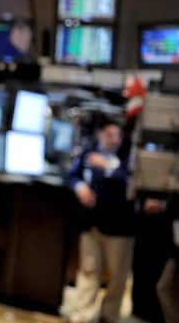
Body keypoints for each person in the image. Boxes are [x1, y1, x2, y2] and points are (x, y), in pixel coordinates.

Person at [64, 118, 135, 323]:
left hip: (119, 228)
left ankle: (109, 316)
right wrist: (80, 187)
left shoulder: (128, 156)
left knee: (117, 277)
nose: (115, 140)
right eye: (111, 135)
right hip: (90, 224)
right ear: (100, 134)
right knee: (88, 270)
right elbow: (73, 175)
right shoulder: (88, 152)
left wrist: (107, 166)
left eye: (118, 136)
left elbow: (130, 181)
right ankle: (82, 315)